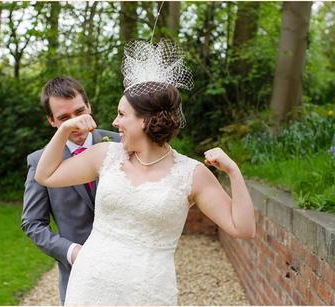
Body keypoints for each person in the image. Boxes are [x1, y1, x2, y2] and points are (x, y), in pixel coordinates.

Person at [34, 40, 256, 305]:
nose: (114, 122)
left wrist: (234, 172)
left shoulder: (191, 174)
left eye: (121, 114)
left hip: (148, 293)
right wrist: (63, 130)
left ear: (146, 120)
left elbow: (243, 229)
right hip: (89, 287)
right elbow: (45, 175)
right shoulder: (106, 156)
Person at [21, 76, 120, 304]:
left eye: (79, 112)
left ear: (89, 106)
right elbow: (32, 223)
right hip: (79, 277)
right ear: (52, 121)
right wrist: (71, 252)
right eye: (64, 118)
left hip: (129, 269)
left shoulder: (121, 143)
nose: (75, 123)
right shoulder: (40, 162)